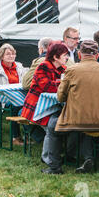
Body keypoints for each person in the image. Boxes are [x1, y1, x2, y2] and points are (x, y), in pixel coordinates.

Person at [52, 40, 99, 174]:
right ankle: (85, 157)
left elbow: (60, 97)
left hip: (79, 121)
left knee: (52, 126)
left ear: (79, 54)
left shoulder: (71, 70)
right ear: (97, 55)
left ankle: (54, 166)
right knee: (85, 125)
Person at [21, 42, 68, 173]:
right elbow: (47, 86)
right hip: (36, 106)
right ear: (56, 56)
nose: (67, 57)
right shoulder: (43, 66)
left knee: (53, 127)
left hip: (51, 105)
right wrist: (62, 83)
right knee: (50, 128)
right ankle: (48, 158)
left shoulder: (62, 68)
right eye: (64, 55)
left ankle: (51, 157)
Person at [0, 43, 27, 145]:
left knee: (27, 105)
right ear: (2, 56)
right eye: (8, 54)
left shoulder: (19, 66)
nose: (11, 56)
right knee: (17, 106)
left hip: (20, 95)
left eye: (13, 54)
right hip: (3, 98)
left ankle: (28, 134)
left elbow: (24, 82)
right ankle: (16, 137)